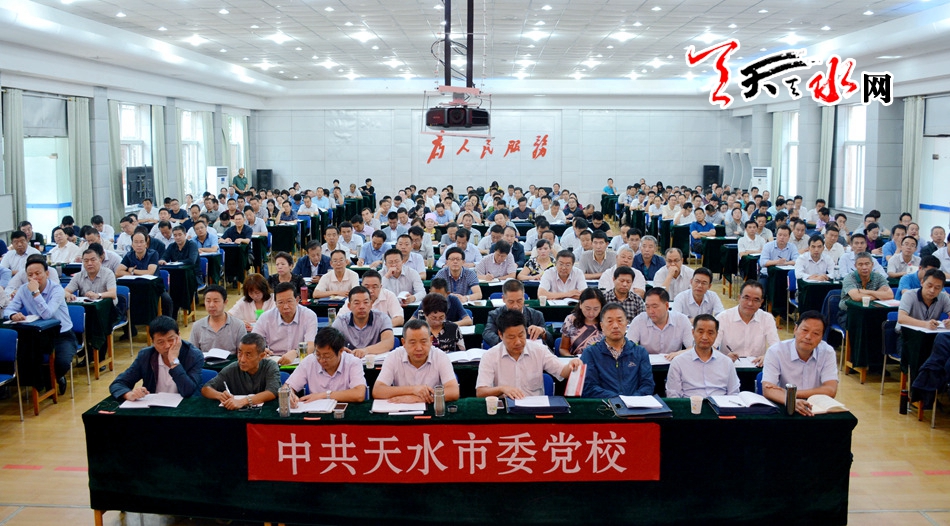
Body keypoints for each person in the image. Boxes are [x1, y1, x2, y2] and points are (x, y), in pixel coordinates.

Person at [5, 255, 78, 395]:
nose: (34, 278)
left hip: (61, 335)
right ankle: (41, 383)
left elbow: (47, 314)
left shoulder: (57, 290)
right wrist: (13, 315)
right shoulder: (23, 289)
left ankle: (55, 378)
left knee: (62, 363)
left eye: (38, 274)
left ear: (47, 273)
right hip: (37, 335)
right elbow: (9, 309)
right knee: (23, 358)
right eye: (30, 275)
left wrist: (35, 293)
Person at [476, 309, 582, 399]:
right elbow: (480, 392)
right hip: (506, 408)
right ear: (500, 334)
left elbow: (563, 372)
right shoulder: (490, 356)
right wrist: (502, 389)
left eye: (521, 335)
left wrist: (571, 365)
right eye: (511, 337)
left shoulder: (539, 350)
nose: (518, 342)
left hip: (534, 408)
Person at [761, 311, 839, 416]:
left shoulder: (827, 352)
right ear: (795, 329)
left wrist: (792, 394)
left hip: (815, 410)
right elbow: (768, 390)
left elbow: (830, 390)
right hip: (785, 409)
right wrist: (790, 401)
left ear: (822, 337)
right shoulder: (776, 351)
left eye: (816, 333)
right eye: (805, 330)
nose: (808, 337)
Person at [109, 316, 204, 401]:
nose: (167, 346)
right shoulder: (146, 355)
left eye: (171, 340)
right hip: (154, 408)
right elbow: (118, 383)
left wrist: (174, 361)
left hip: (183, 409)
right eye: (161, 342)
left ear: (179, 335)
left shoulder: (193, 355)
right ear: (152, 341)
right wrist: (129, 394)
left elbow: (188, 391)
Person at [372, 319, 461, 403]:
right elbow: (378, 390)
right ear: (404, 343)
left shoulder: (440, 356)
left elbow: (453, 391)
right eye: (413, 342)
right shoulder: (393, 357)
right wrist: (413, 390)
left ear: (431, 340)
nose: (419, 348)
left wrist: (418, 398)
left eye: (423, 341)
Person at [579, 302, 654, 397]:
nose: (615, 326)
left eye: (619, 321)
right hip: (604, 404)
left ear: (626, 323)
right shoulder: (590, 353)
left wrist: (632, 400)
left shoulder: (639, 352)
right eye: (610, 321)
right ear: (602, 326)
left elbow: (647, 385)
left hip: (635, 404)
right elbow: (589, 387)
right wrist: (618, 399)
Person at [284, 327, 367, 405]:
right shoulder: (309, 361)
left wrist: (323, 395)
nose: (321, 360)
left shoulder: (353, 362)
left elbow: (359, 394)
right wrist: (289, 394)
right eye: (318, 354)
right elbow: (287, 387)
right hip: (316, 410)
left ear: (341, 351)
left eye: (327, 356)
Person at [665, 314, 740, 398]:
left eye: (710, 333)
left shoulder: (726, 362)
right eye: (700, 332)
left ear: (716, 335)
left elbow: (734, 393)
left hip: (720, 404)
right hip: (690, 404)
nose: (705, 337)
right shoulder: (678, 362)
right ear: (693, 332)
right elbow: (674, 395)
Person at [201, 332, 280, 410]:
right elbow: (206, 388)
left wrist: (242, 402)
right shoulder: (232, 368)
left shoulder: (270, 366)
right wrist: (220, 395)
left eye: (248, 355)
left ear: (261, 356)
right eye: (239, 353)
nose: (242, 360)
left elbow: (273, 391)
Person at [715, 281, 779, 367]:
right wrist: (724, 358)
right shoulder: (723, 318)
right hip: (729, 367)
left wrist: (767, 357)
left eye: (756, 300)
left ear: (761, 302)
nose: (750, 303)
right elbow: (711, 348)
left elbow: (776, 347)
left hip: (757, 368)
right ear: (739, 298)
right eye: (746, 298)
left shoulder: (767, 318)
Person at [252, 282, 318, 365]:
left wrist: (296, 352)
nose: (285, 306)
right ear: (275, 303)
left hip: (300, 362)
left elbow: (311, 345)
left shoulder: (309, 315)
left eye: (289, 301)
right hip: (273, 362)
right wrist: (261, 349)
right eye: (281, 302)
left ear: (297, 300)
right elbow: (253, 341)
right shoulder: (266, 317)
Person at [626, 288, 693, 356]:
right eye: (647, 307)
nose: (650, 311)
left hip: (674, 360)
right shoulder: (639, 320)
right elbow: (627, 348)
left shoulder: (682, 320)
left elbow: (693, 348)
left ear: (667, 306)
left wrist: (679, 354)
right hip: (646, 361)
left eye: (655, 307)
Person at [332, 285, 395, 358]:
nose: (362, 307)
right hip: (349, 362)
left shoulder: (382, 318)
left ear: (371, 304)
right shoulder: (340, 322)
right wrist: (340, 349)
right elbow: (330, 344)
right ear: (349, 306)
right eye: (357, 303)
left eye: (366, 302)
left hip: (375, 363)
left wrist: (365, 350)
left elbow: (388, 342)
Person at [839, 252, 894, 326]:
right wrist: (878, 294)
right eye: (860, 264)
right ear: (855, 266)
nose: (864, 267)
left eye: (867, 264)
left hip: (873, 312)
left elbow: (890, 295)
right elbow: (856, 297)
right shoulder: (849, 278)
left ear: (872, 264)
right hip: (849, 313)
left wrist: (864, 292)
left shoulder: (879, 277)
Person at [189, 285, 246, 354]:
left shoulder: (238, 325)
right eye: (208, 301)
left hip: (230, 360)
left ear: (225, 302)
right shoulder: (197, 326)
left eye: (216, 301)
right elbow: (192, 354)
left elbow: (243, 353)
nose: (211, 305)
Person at [559, 287, 606, 356]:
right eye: (588, 308)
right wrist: (571, 358)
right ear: (580, 304)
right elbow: (563, 348)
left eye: (596, 309)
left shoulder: (607, 321)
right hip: (576, 360)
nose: (591, 313)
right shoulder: (571, 320)